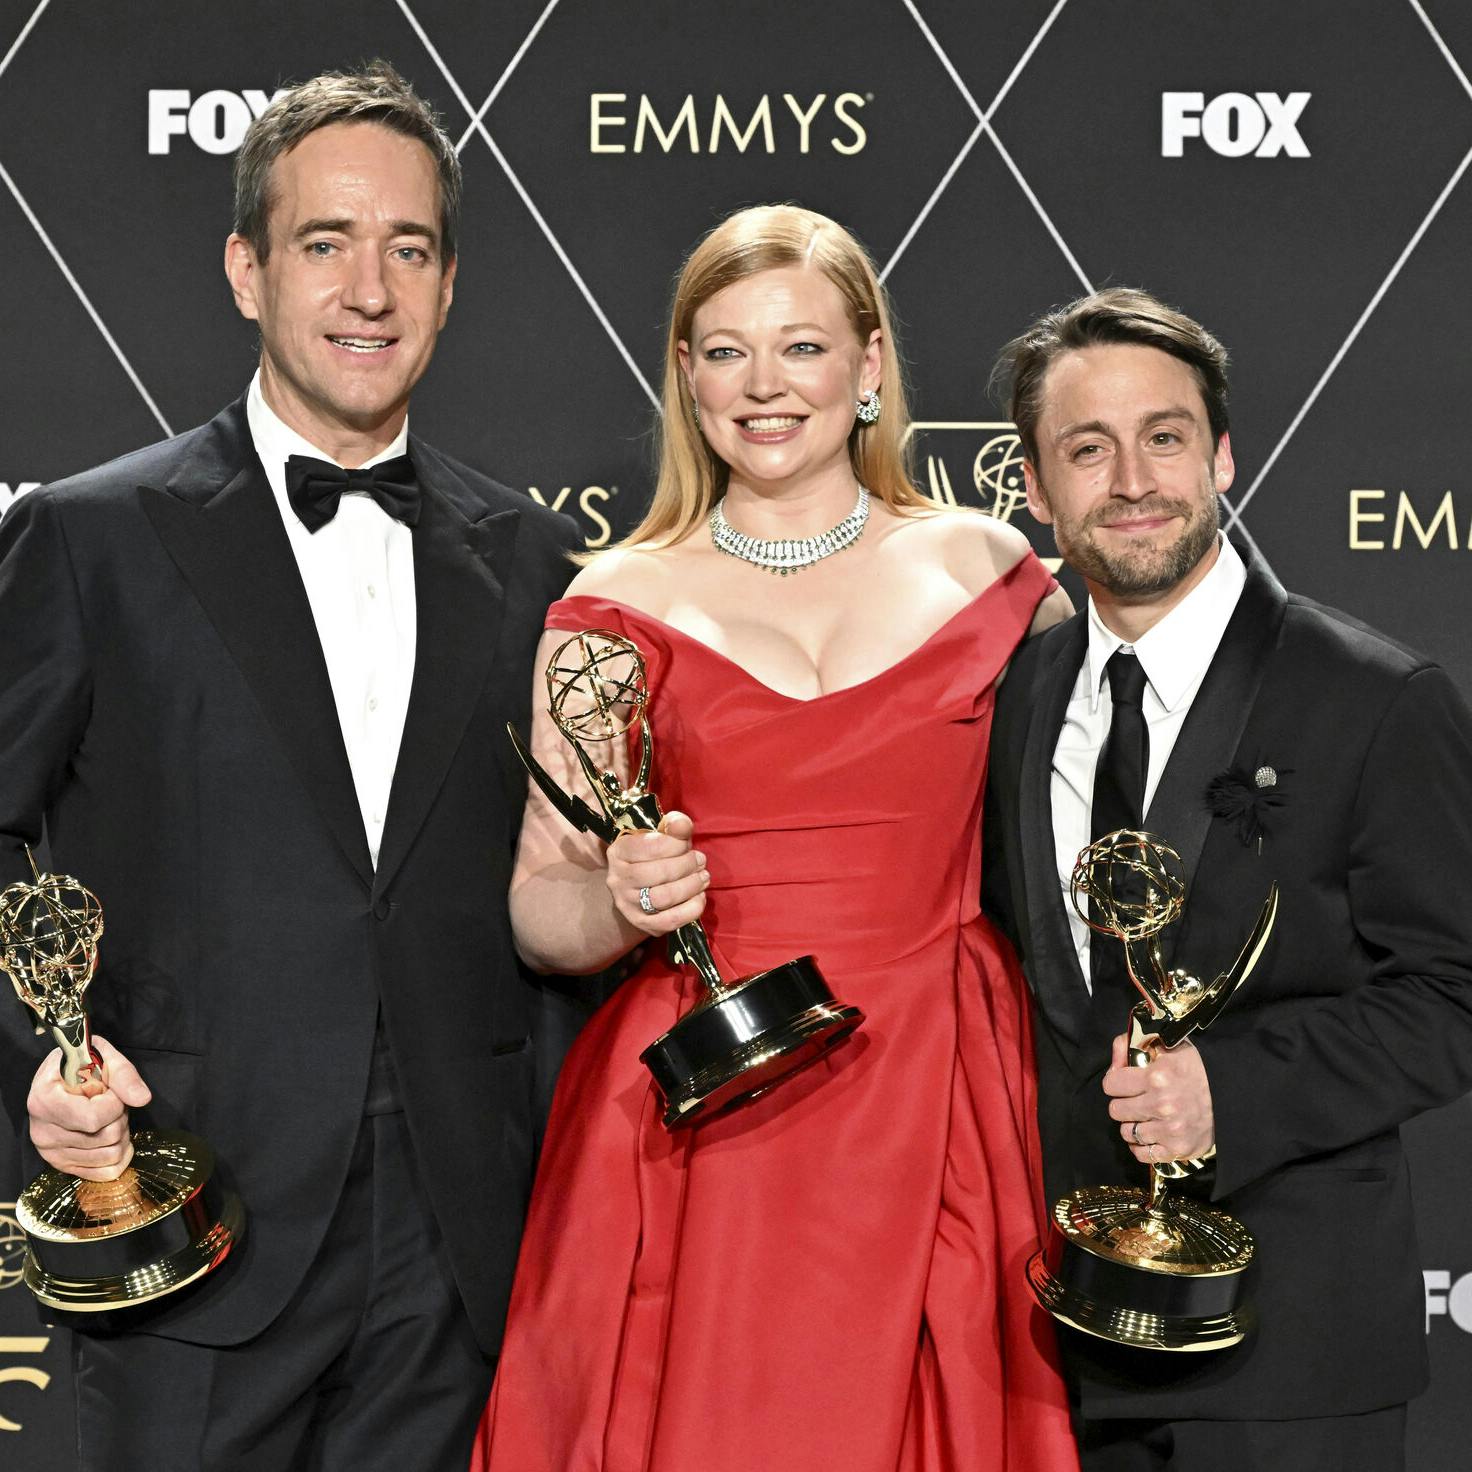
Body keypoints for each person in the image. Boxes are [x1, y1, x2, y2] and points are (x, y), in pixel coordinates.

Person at [0, 63, 581, 1471]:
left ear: (449, 284)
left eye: (410, 248)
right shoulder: (92, 540)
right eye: (326, 244)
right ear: (247, 270)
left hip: (454, 1248)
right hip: (187, 1213)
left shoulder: (532, 563)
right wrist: (44, 1067)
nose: (369, 289)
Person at [472, 204, 1080, 1472]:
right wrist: (621, 904)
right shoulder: (612, 603)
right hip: (704, 1110)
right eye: (722, 351)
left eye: (799, 348)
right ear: (685, 377)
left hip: (939, 1090)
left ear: (867, 368)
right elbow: (542, 903)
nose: (762, 387)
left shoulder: (991, 572)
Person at [983, 287, 1472, 1471]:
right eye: (1084, 448)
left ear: (1220, 455)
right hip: (1062, 1351)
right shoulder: (1014, 695)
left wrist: (1232, 1093)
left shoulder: (1370, 694)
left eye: (1164, 436)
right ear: (1036, 491)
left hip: (1286, 1356)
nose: (1133, 479)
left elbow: (1455, 990)